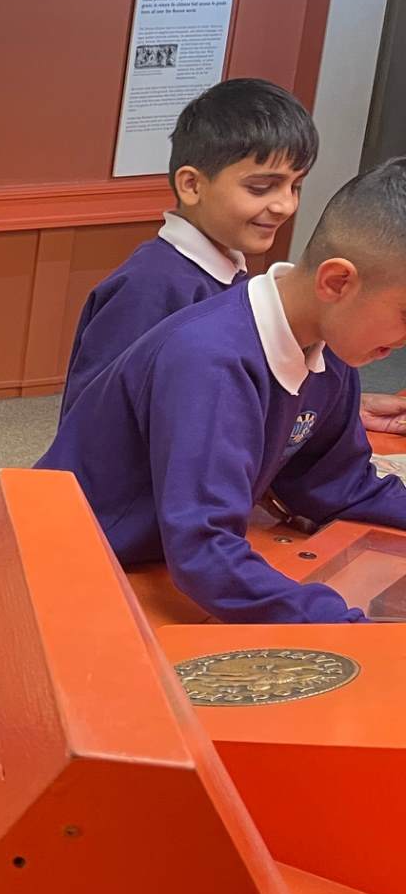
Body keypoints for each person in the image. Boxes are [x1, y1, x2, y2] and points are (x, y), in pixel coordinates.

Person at [37, 158, 406, 623]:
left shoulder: (331, 352)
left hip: (154, 561)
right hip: (69, 566)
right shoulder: (210, 361)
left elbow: (335, 485)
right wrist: (352, 628)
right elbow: (206, 552)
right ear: (337, 282)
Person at [61, 78, 316, 414]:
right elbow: (95, 415)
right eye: (260, 187)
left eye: (295, 187)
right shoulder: (148, 287)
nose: (285, 205)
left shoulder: (231, 274)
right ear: (192, 185)